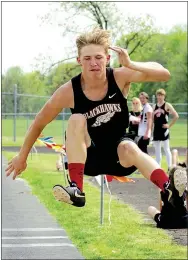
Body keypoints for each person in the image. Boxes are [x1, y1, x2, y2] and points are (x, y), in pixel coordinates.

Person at [6, 27, 185, 212]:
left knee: (130, 146)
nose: (94, 63)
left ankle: (170, 190)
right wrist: (22, 156)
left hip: (119, 155)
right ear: (79, 61)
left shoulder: (119, 76)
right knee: (76, 119)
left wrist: (130, 64)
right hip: (87, 157)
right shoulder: (68, 91)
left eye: (98, 57)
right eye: (87, 58)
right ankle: (76, 189)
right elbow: (39, 123)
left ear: (107, 58)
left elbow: (164, 73)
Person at [153, 88, 179, 169]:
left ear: (164, 96)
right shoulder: (154, 106)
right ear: (156, 96)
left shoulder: (167, 105)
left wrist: (169, 125)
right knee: (157, 150)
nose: (159, 97)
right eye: (158, 95)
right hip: (156, 130)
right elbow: (152, 119)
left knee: (166, 149)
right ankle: (158, 167)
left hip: (164, 130)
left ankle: (169, 167)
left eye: (161, 95)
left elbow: (176, 116)